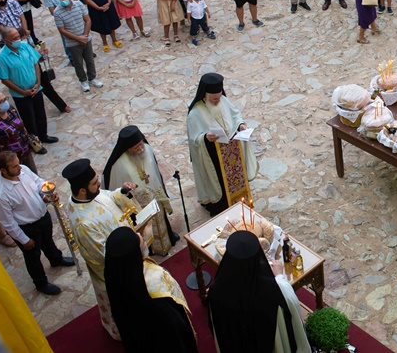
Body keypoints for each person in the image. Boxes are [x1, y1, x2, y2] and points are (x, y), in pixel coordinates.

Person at [63, 158, 140, 339]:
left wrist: (122, 192)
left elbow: (107, 196)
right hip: (117, 271)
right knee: (124, 306)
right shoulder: (84, 224)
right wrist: (132, 251)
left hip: (126, 246)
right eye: (94, 184)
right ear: (82, 190)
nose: (99, 185)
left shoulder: (88, 195)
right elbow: (101, 257)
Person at [209, 231, 310, 352]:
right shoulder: (275, 289)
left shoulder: (215, 291)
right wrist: (279, 276)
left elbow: (216, 323)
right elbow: (291, 303)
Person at [0, 151, 75, 295]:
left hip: (43, 216)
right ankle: (41, 283)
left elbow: (38, 182)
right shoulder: (0, 194)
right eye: (14, 166)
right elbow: (7, 222)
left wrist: (46, 194)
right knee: (33, 257)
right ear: (3, 170)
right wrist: (23, 239)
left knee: (48, 242)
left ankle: (56, 259)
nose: (19, 168)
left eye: (18, 163)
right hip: (27, 228)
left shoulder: (24, 170)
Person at [104, 227, 197, 352]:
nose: (140, 235)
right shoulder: (154, 290)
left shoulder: (115, 276)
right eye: (137, 238)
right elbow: (175, 326)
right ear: (135, 254)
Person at [186, 73, 259, 215]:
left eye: (219, 97)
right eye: (214, 99)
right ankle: (222, 207)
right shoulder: (195, 113)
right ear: (205, 95)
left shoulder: (222, 100)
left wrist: (241, 125)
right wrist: (206, 137)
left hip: (232, 151)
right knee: (221, 183)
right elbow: (194, 140)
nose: (217, 101)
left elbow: (235, 116)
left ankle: (240, 200)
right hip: (213, 155)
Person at [104, 126, 179, 255]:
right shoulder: (118, 164)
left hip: (153, 193)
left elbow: (155, 172)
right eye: (136, 147)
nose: (140, 148)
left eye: (140, 144)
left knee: (160, 219)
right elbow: (116, 190)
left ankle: (167, 239)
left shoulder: (146, 149)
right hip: (138, 203)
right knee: (146, 227)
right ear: (127, 148)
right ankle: (149, 248)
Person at [0, 26, 58, 147]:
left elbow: (35, 63)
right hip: (21, 94)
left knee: (40, 113)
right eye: (14, 38)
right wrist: (23, 92)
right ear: (6, 40)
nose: (18, 39)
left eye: (18, 36)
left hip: (36, 88)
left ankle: (43, 136)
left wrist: (38, 83)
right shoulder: (1, 57)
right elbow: (4, 79)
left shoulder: (24, 46)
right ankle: (35, 143)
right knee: (29, 119)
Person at [54, 0, 103, 92]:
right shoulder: (57, 12)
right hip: (72, 43)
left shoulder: (79, 5)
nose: (63, 1)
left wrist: (85, 36)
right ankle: (83, 80)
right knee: (78, 63)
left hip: (85, 38)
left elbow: (87, 20)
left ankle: (92, 78)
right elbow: (62, 30)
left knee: (90, 60)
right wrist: (78, 38)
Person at [0, 87, 38, 173]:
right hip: (9, 161)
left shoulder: (10, 109)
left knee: (33, 175)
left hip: (25, 152)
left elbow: (20, 125)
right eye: (0, 102)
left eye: (5, 99)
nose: (4, 103)